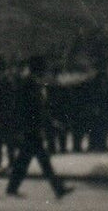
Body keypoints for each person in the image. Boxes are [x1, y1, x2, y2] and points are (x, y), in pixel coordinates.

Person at [5, 58, 74, 199]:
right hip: (31, 129)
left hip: (32, 128)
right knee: (42, 160)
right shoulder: (30, 85)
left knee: (25, 160)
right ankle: (58, 188)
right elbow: (26, 109)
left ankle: (12, 187)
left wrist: (50, 122)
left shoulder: (32, 84)